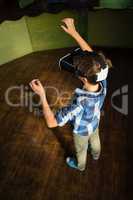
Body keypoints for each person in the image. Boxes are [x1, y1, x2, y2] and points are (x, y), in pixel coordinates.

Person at [30, 18, 111, 171]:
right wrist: (74, 33)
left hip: (81, 131)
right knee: (95, 140)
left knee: (81, 149)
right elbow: (92, 55)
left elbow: (52, 123)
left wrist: (41, 94)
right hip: (94, 122)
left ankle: (80, 166)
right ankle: (96, 154)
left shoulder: (80, 103)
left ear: (83, 78)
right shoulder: (102, 79)